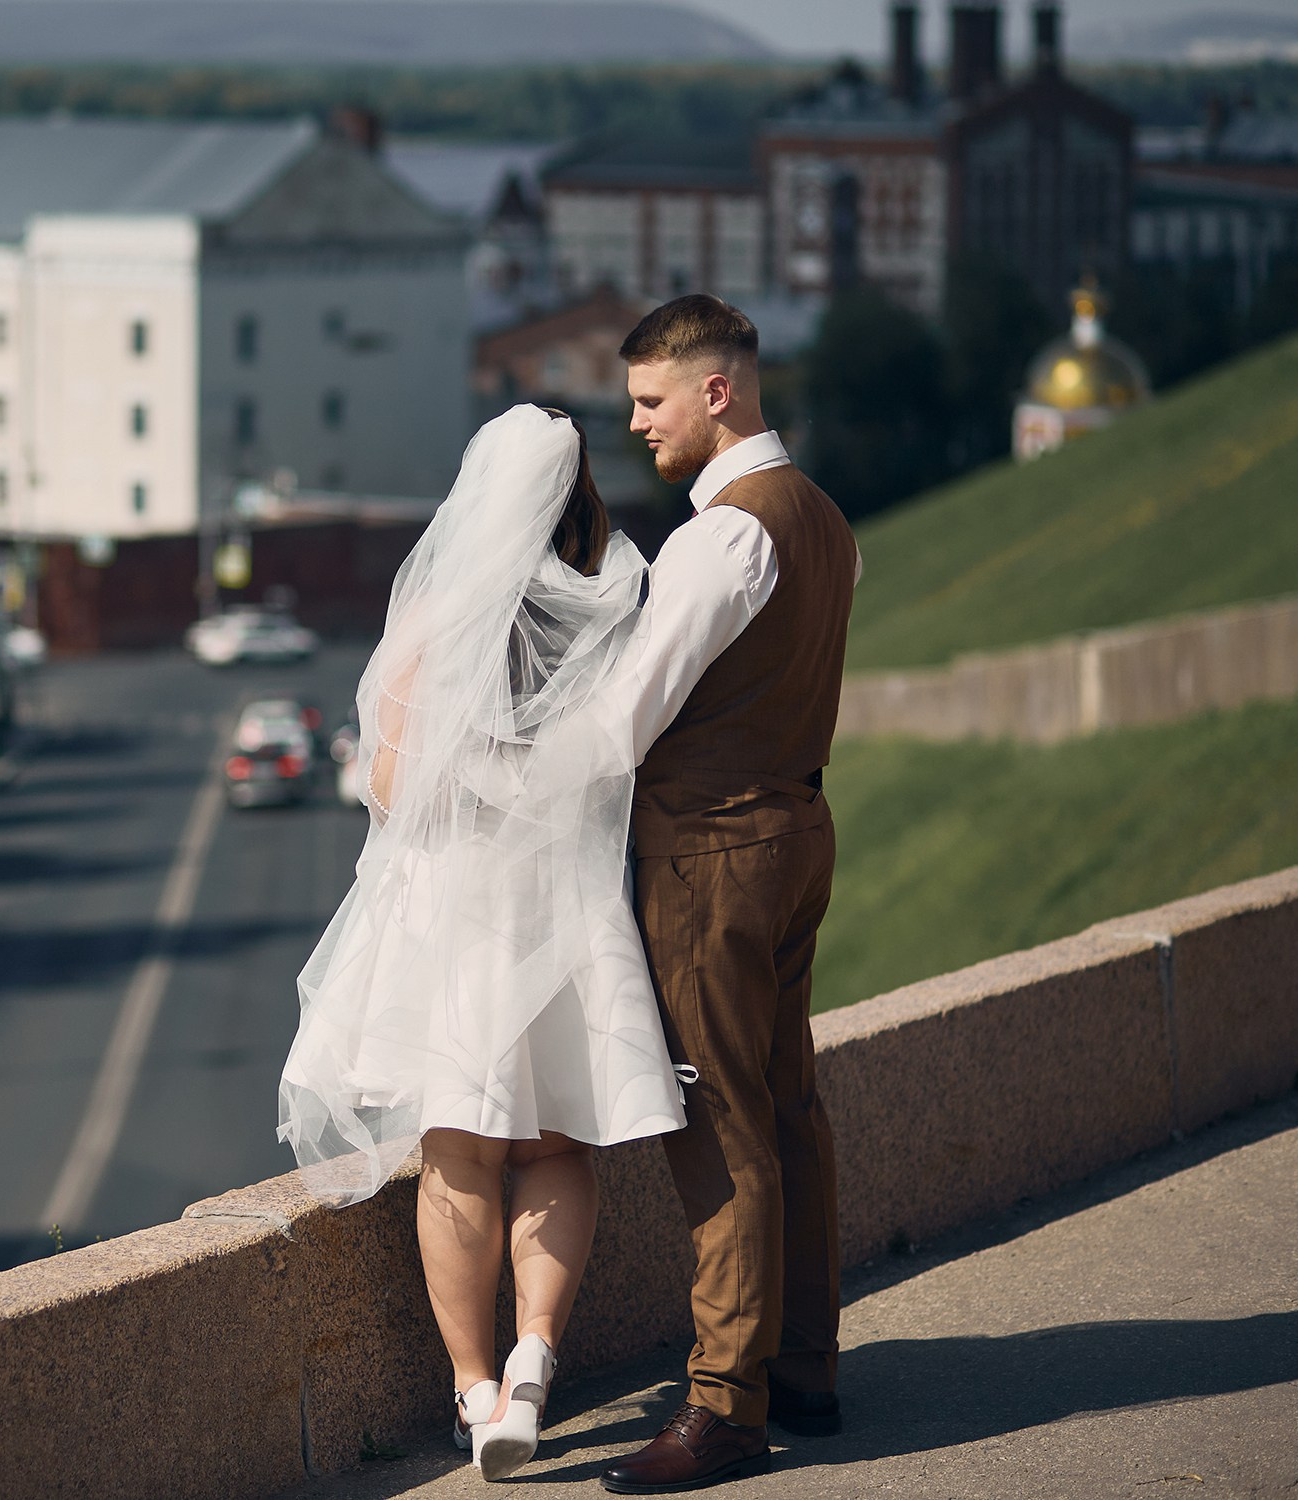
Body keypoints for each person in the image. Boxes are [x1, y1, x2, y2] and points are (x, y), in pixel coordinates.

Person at [279, 403, 688, 1481]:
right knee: (558, 1143)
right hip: (562, 902)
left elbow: (389, 781)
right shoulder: (615, 598)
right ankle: (537, 1354)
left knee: (457, 1152)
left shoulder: (444, 615)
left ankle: (474, 1392)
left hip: (457, 905)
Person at [597, 295, 858, 1494]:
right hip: (796, 826)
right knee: (788, 1104)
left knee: (723, 1124)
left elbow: (624, 719)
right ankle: (805, 1371)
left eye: (651, 400)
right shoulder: (822, 516)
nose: (635, 423)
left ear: (719, 392)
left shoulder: (722, 537)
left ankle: (724, 1409)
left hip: (711, 855)